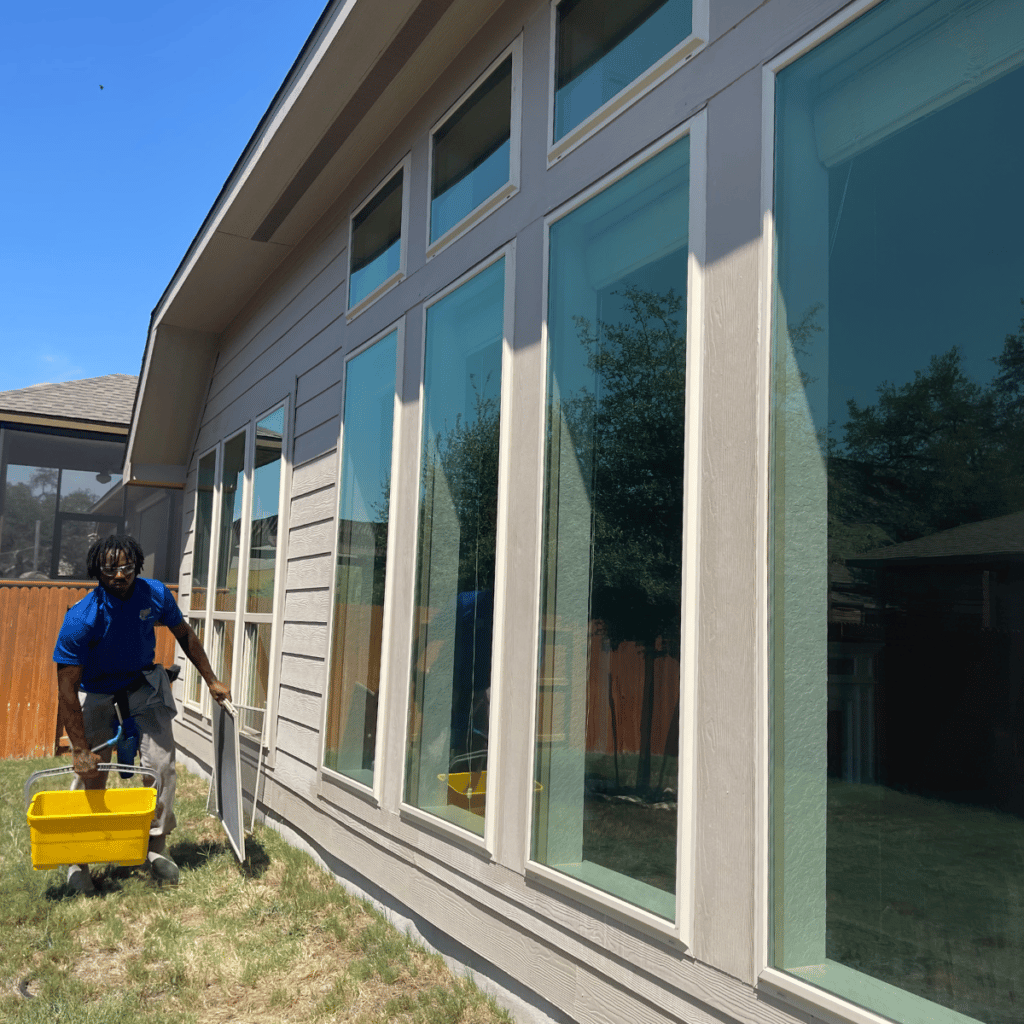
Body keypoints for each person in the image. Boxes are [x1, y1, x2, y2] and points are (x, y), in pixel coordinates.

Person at [54, 535, 230, 893]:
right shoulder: (81, 619)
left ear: (136, 565)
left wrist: (212, 680)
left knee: (162, 765)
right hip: (99, 690)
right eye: (110, 569)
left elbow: (185, 635)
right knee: (92, 771)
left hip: (143, 683)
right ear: (97, 572)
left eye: (126, 567)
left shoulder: (155, 594)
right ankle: (77, 858)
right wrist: (79, 749)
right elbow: (67, 690)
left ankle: (155, 846)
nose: (120, 575)